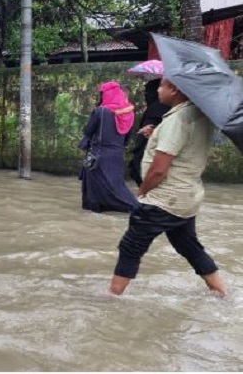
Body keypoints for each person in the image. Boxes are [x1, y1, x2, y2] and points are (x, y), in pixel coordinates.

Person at [109, 78, 226, 297]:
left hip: (164, 199)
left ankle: (111, 298)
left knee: (130, 247)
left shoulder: (178, 118)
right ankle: (222, 293)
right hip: (186, 198)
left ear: (174, 90)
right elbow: (185, 145)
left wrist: (142, 191)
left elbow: (159, 170)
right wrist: (156, 135)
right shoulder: (199, 114)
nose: (158, 91)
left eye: (161, 86)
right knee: (189, 247)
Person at [78, 81, 138, 213]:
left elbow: (89, 131)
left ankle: (135, 209)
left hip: (98, 155)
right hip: (117, 155)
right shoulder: (129, 114)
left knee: (93, 188)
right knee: (116, 185)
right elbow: (127, 137)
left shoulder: (100, 111)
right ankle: (135, 208)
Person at [128, 79, 171, 186]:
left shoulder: (158, 108)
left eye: (148, 92)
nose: (146, 95)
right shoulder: (155, 107)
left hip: (150, 149)